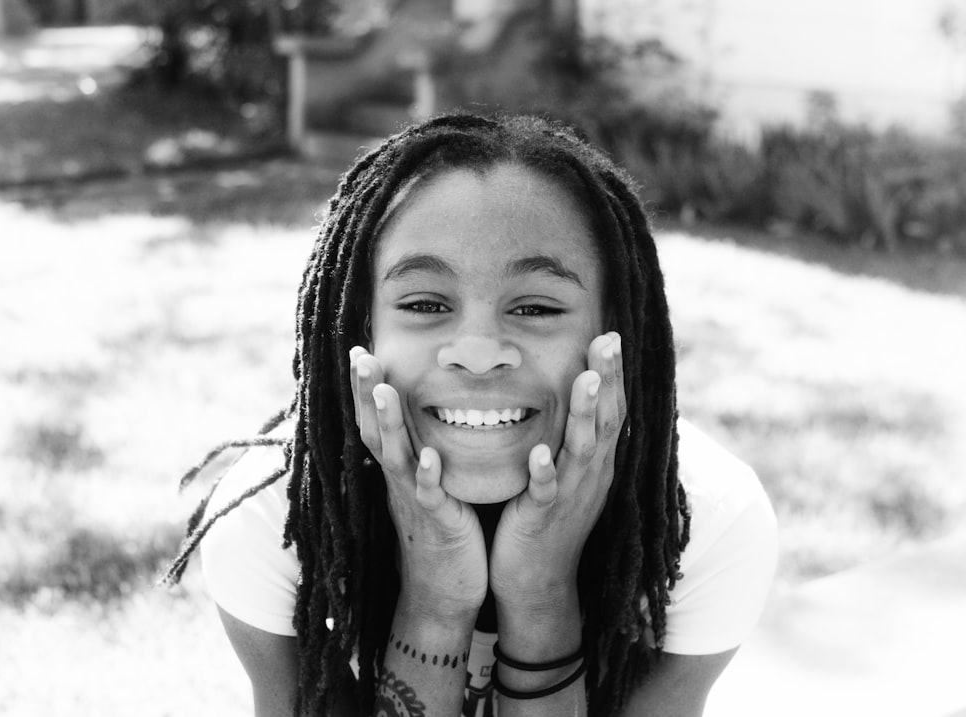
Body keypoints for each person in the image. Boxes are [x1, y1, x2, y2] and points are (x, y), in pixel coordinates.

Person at [163, 113, 777, 716]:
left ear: (616, 332)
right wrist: (434, 601)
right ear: (360, 329)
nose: (479, 355)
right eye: (426, 302)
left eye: (536, 308)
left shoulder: (710, 520)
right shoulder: (270, 519)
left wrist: (540, 594)